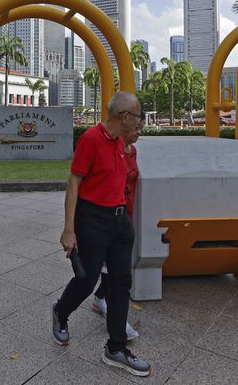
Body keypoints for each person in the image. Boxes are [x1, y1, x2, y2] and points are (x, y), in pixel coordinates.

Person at [52, 91, 151, 378]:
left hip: (120, 222)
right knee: (86, 279)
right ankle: (60, 311)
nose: (140, 123)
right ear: (125, 116)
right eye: (138, 117)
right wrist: (69, 229)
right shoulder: (92, 139)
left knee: (121, 283)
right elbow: (74, 183)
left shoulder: (123, 142)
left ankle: (116, 348)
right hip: (92, 219)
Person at [91, 113, 145, 341]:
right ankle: (116, 325)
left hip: (127, 216)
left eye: (141, 128)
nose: (139, 132)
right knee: (113, 273)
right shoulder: (110, 149)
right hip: (107, 217)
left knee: (117, 272)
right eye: (136, 128)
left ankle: (100, 299)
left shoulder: (133, 152)